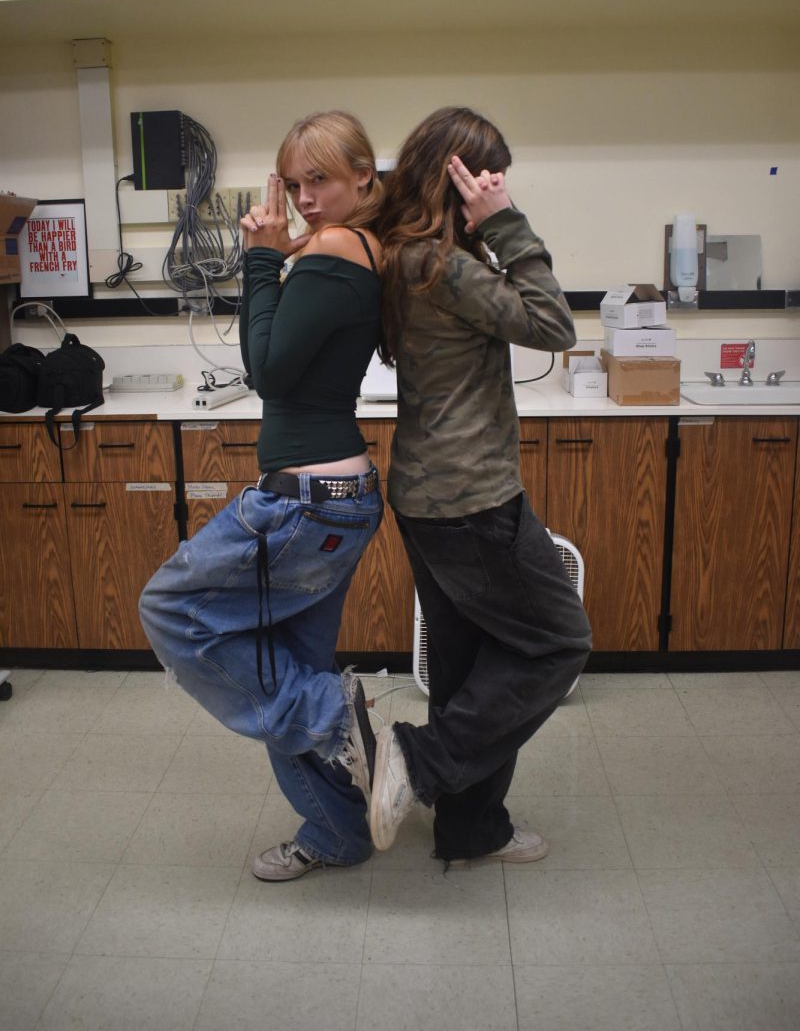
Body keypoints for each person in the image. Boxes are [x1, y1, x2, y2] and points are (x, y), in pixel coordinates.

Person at [140, 110, 385, 882]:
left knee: (169, 608)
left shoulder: (338, 247)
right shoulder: (343, 250)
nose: (309, 197)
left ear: (363, 180)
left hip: (305, 503)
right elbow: (273, 363)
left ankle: (334, 715)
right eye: (296, 181)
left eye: (324, 180)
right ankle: (339, 831)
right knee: (280, 666)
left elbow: (269, 374)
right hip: (333, 497)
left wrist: (258, 260)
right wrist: (271, 261)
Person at [368, 106, 593, 864]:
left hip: (427, 498)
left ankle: (471, 830)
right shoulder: (446, 265)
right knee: (559, 641)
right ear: (454, 178)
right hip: (473, 500)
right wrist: (506, 224)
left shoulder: (398, 256)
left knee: (468, 668)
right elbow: (555, 327)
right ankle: (420, 758)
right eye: (487, 176)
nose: (497, 186)